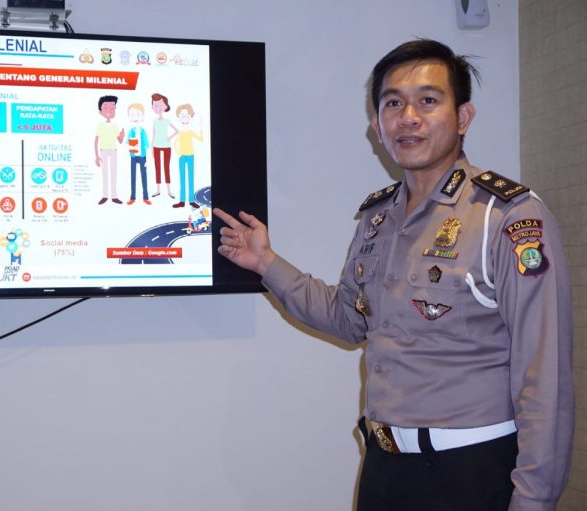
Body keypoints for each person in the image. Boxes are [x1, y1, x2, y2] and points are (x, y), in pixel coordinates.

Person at [214, 39, 574, 511]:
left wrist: (534, 500)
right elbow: (348, 319)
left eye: (428, 100)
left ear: (463, 117)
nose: (409, 117)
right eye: (393, 104)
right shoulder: (377, 217)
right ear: (377, 127)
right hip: (384, 469)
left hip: (472, 472)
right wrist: (266, 262)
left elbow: (544, 376)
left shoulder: (506, 216)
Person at [171, 103, 203, 209]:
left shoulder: (191, 132)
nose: (184, 118)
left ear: (191, 117)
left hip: (190, 156)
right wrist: (178, 152)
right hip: (182, 157)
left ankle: (191, 200)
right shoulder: (180, 133)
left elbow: (200, 139)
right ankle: (182, 201)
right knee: (182, 179)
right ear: (178, 118)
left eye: (187, 116)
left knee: (190, 178)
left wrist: (200, 127)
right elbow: (175, 143)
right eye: (181, 116)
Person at [94, 95, 125, 205]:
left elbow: (119, 141)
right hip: (103, 150)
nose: (109, 111)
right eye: (106, 108)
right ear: (100, 111)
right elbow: (96, 140)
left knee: (113, 172)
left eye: (112, 108)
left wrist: (122, 136)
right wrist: (96, 156)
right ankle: (105, 195)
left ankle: (114, 196)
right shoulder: (100, 126)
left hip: (113, 150)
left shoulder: (115, 126)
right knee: (105, 172)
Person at [150, 93, 178, 199]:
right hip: (156, 146)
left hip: (166, 146)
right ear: (153, 107)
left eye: (161, 105)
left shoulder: (167, 121)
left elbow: (176, 131)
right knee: (157, 167)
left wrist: (169, 137)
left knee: (166, 167)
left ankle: (169, 190)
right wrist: (152, 147)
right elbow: (153, 134)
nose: (158, 107)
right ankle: (157, 190)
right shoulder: (154, 121)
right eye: (155, 105)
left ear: (166, 106)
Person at [125, 103, 151, 205]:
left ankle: (145, 197)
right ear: (129, 117)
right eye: (132, 115)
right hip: (133, 156)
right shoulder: (131, 131)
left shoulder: (143, 131)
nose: (135, 117)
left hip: (142, 157)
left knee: (144, 176)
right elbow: (128, 143)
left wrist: (148, 160)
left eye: (137, 114)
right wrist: (131, 147)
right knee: (133, 177)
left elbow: (147, 145)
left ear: (142, 116)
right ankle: (132, 197)